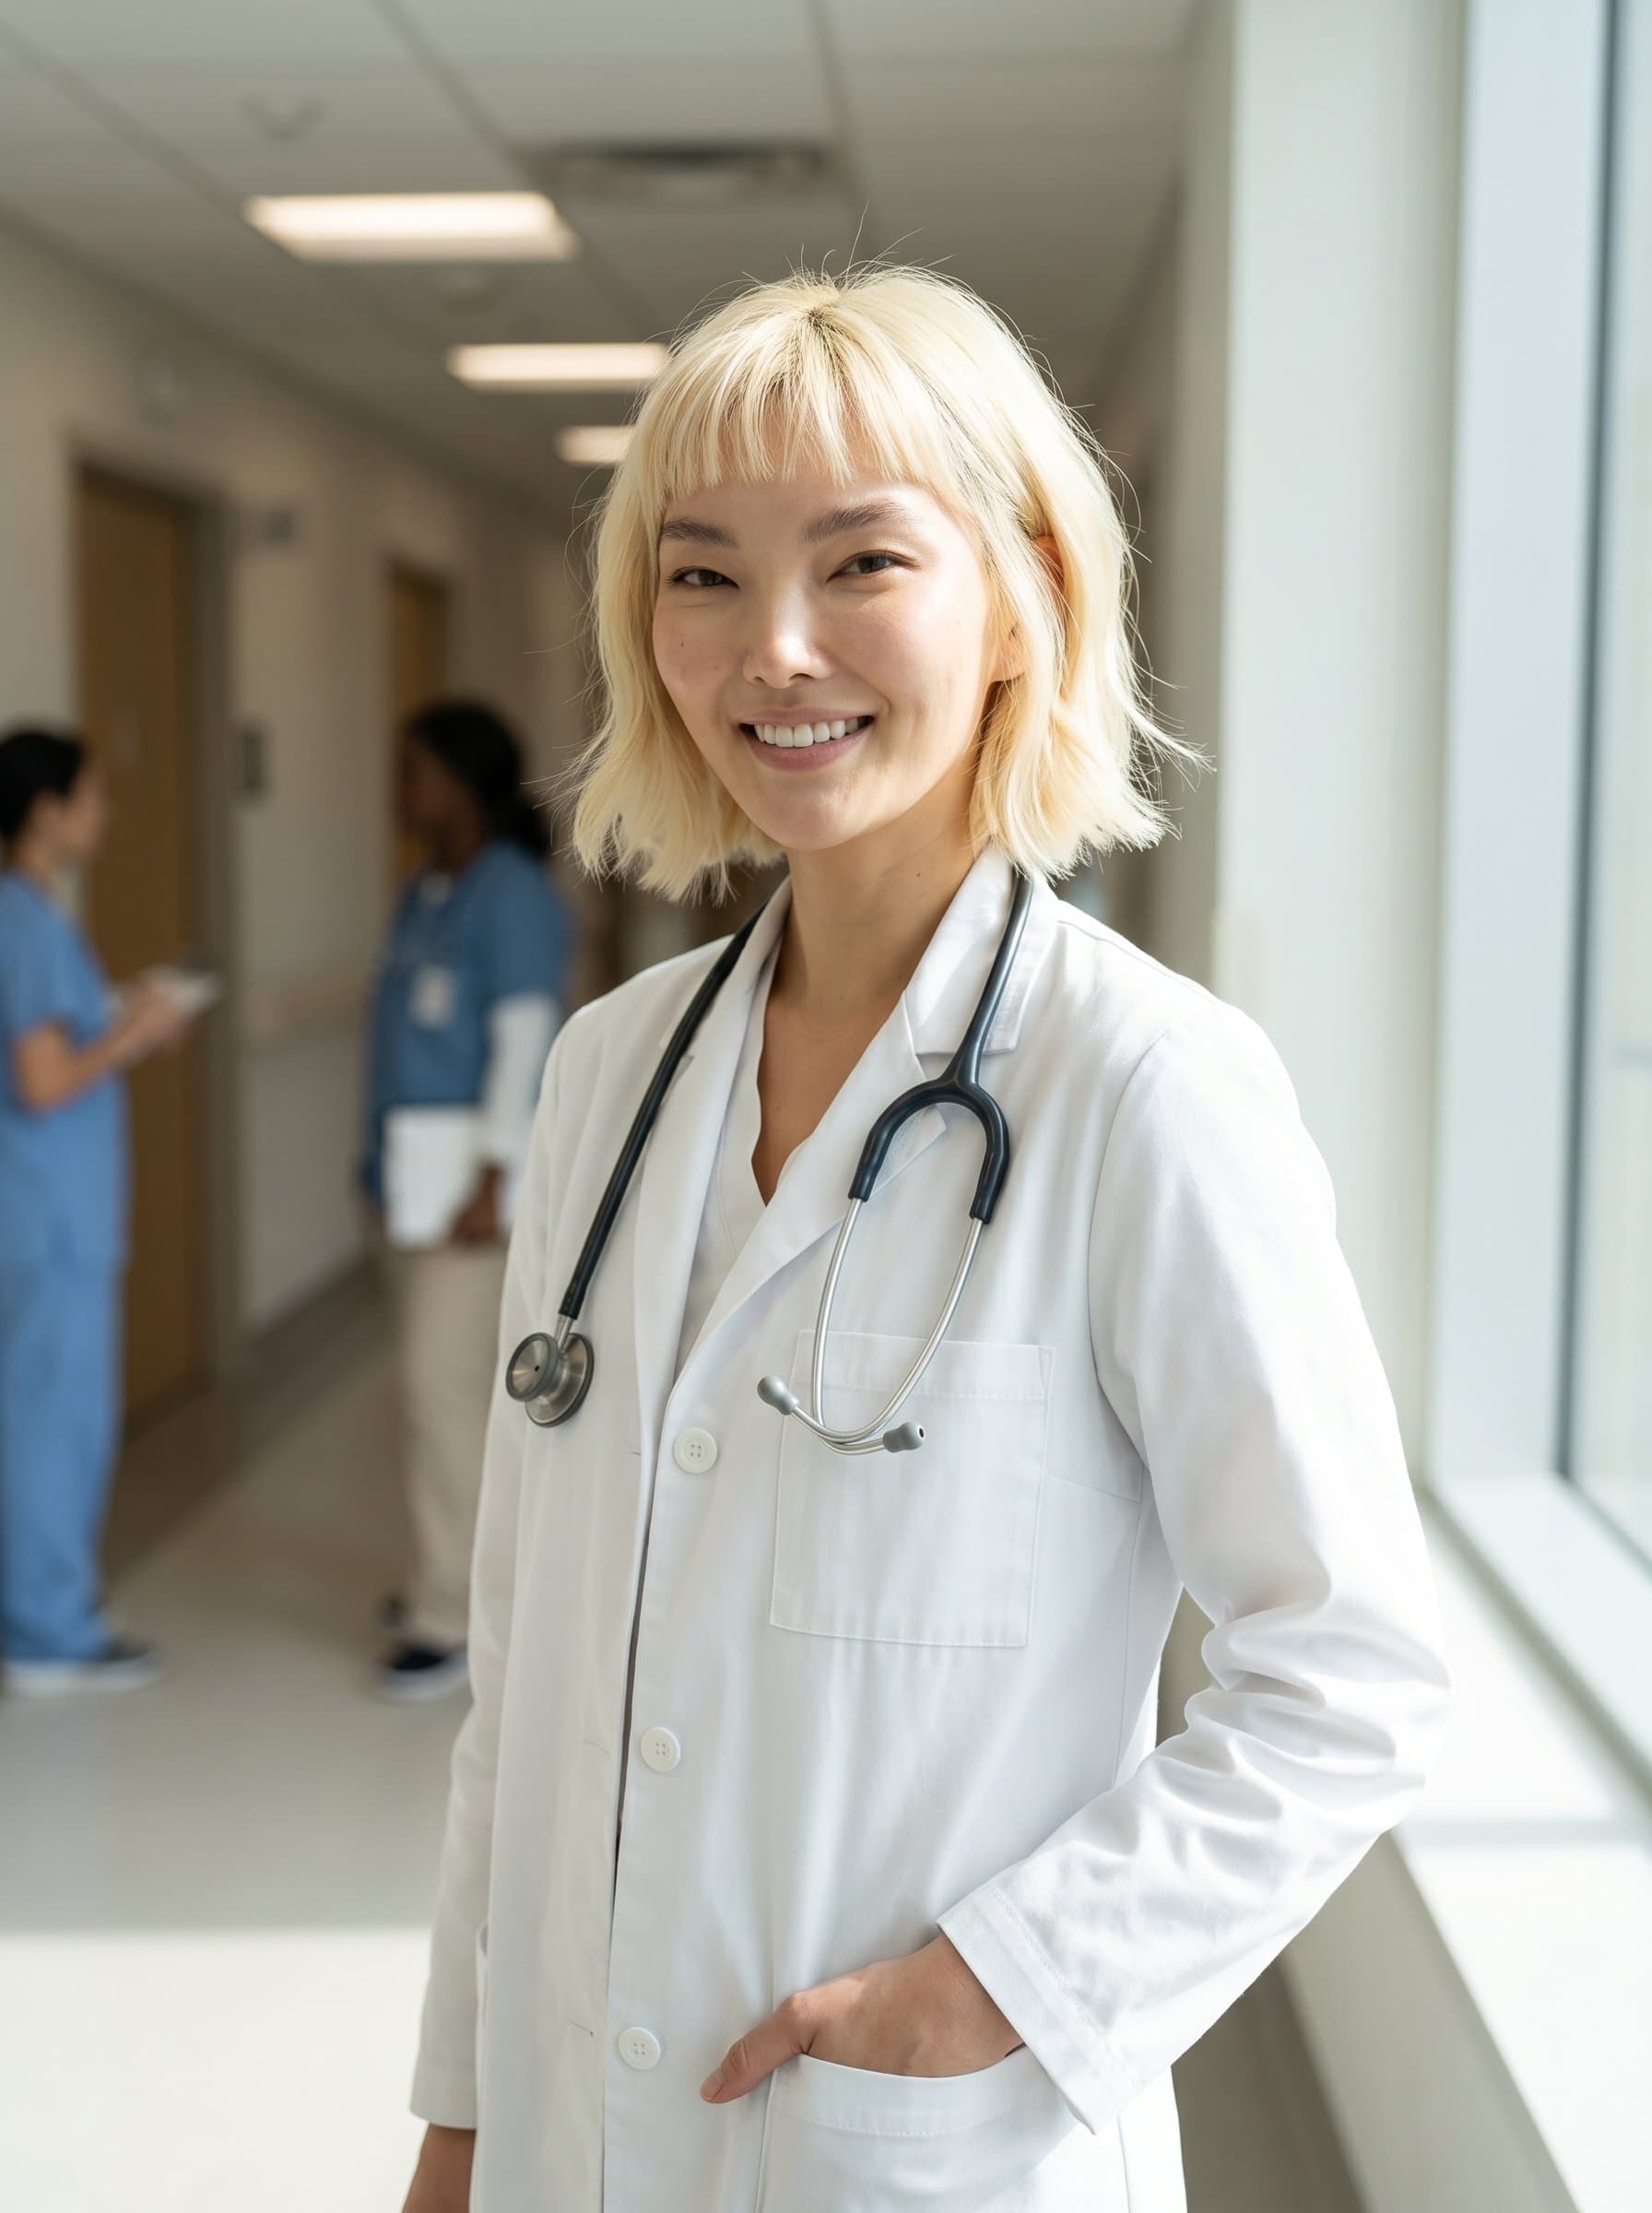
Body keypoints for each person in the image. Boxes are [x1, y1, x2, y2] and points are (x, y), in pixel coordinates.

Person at [400, 267, 1450, 2213]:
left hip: (915, 2152)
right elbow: (525, 1683)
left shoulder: (1143, 1087)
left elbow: (1353, 1670)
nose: (772, 649)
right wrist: (464, 2120)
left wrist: (996, 1990)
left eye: (861, 560)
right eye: (702, 575)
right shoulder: (612, 1075)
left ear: (1021, 593)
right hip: (568, 2146)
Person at [363, 700, 575, 1701]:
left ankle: (451, 1617)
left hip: (472, 1192)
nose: (400, 792)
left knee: (440, 1388)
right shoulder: (423, 893)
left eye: (415, 772)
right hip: (411, 1181)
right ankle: (447, 1578)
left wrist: (495, 1176)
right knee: (442, 1394)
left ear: (461, 781)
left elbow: (524, 1045)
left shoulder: (512, 893)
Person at [0, 724, 196, 1695]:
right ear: (46, 812)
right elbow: (42, 1082)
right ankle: (47, 1634)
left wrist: (117, 1015)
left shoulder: (26, 916)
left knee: (34, 1419)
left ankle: (40, 1613)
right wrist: (136, 1030)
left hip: (36, 1217)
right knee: (53, 1429)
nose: (103, 813)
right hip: (49, 1225)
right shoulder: (27, 921)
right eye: (90, 795)